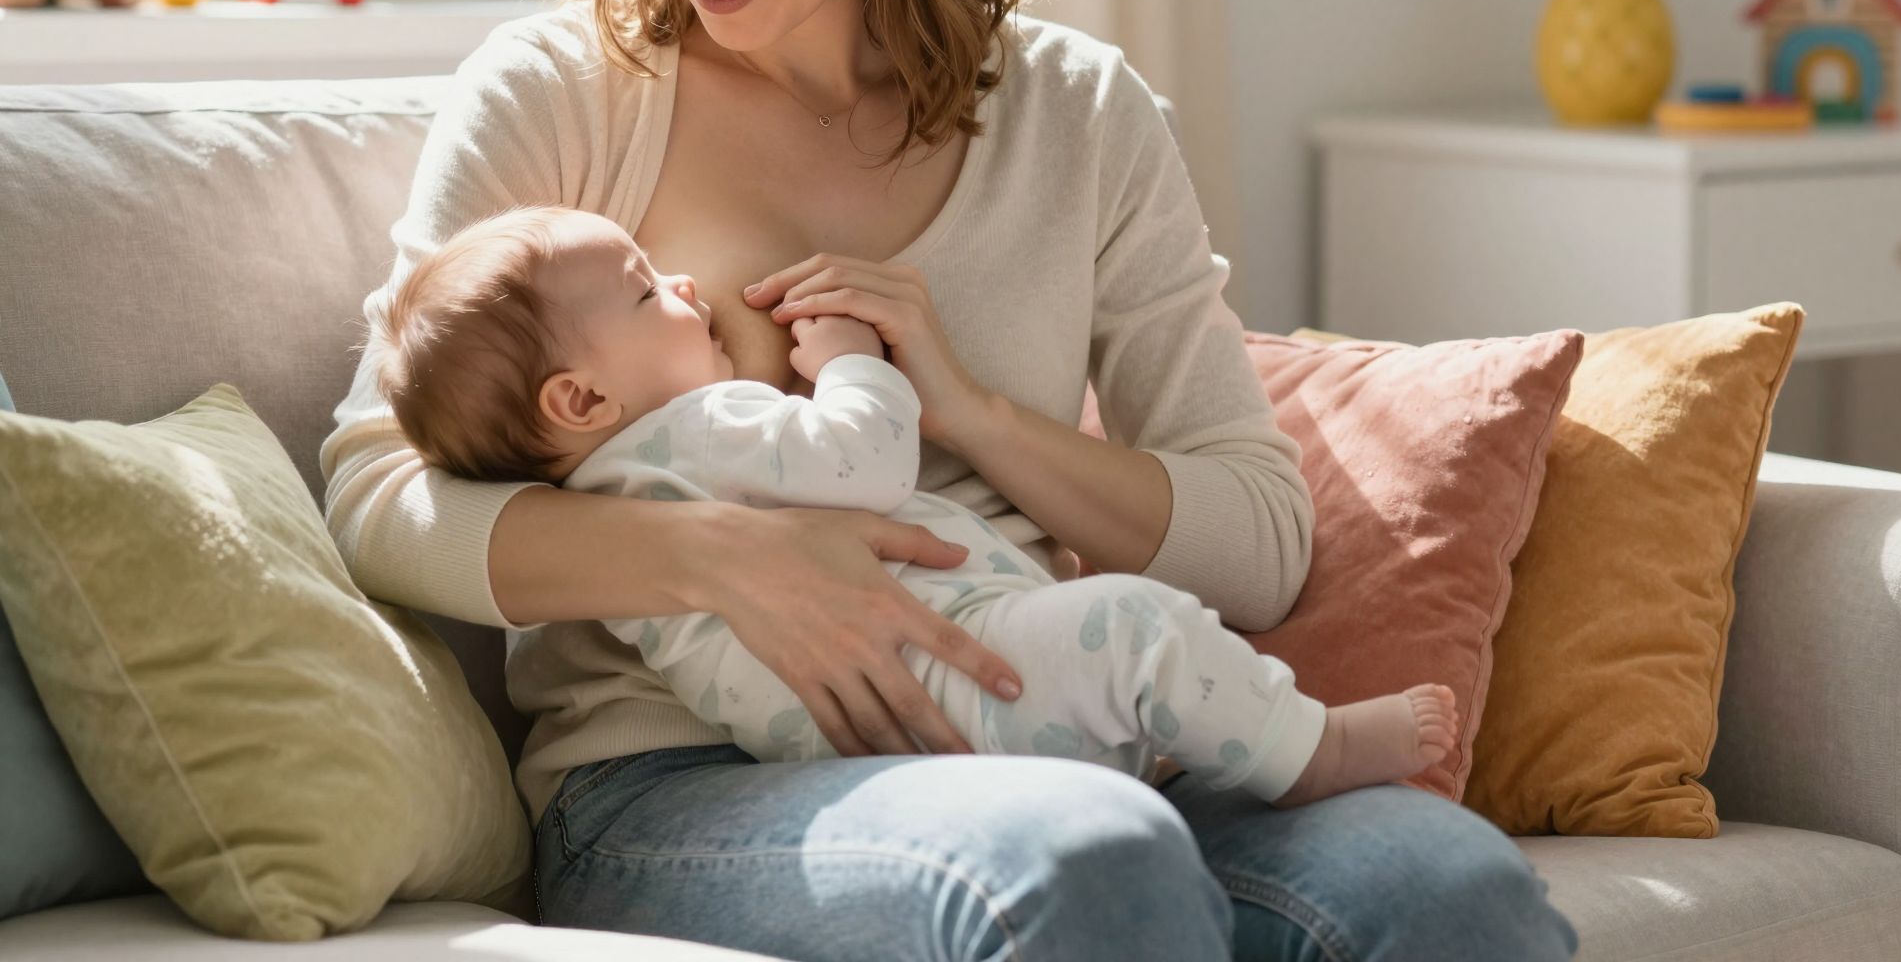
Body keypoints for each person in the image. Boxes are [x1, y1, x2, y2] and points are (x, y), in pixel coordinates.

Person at [321, 0, 1578, 960]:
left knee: (1447, 888)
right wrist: (726, 558)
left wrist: (973, 411)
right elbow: (378, 492)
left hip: (1062, 725)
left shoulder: (1081, 117)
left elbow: (1260, 544)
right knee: (1083, 862)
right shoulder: (562, 96)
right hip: (689, 781)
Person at [369, 203, 1460, 805]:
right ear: (579, 397)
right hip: (942, 670)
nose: (688, 289)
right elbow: (865, 462)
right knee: (1130, 625)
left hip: (844, 738)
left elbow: (1259, 542)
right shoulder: (701, 431)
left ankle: (1162, 746)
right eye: (648, 289)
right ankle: (1298, 747)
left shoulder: (612, 475)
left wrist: (980, 410)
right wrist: (848, 357)